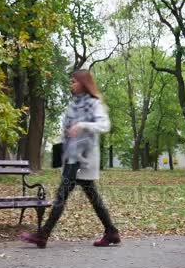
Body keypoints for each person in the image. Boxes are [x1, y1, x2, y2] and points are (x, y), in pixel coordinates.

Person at [20, 69, 120, 248]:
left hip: (84, 157)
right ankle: (111, 231)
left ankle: (43, 235)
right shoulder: (73, 104)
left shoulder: (93, 103)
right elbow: (68, 130)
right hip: (72, 157)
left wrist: (81, 125)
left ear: (83, 83)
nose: (71, 84)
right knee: (91, 196)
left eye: (74, 81)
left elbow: (104, 125)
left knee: (62, 195)